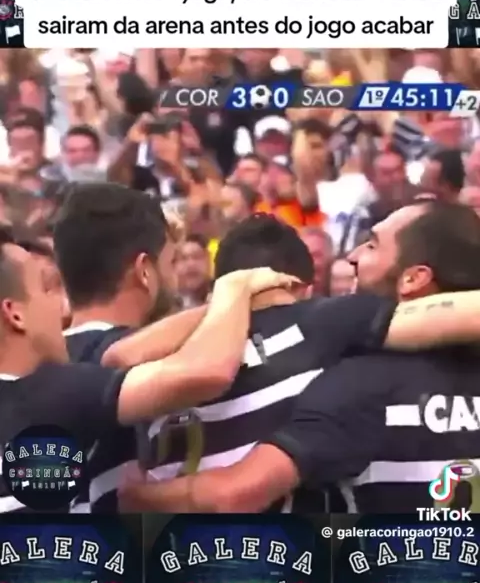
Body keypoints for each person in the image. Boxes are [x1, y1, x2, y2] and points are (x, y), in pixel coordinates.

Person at [120, 206, 480, 513]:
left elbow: (234, 492)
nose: (352, 255)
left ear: (414, 278)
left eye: (371, 244)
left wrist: (137, 497)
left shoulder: (358, 382)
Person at [0, 220, 297, 514]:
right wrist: (235, 288)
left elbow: (120, 358)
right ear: (15, 314)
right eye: (46, 289)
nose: (61, 305)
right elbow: (208, 371)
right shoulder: (45, 393)